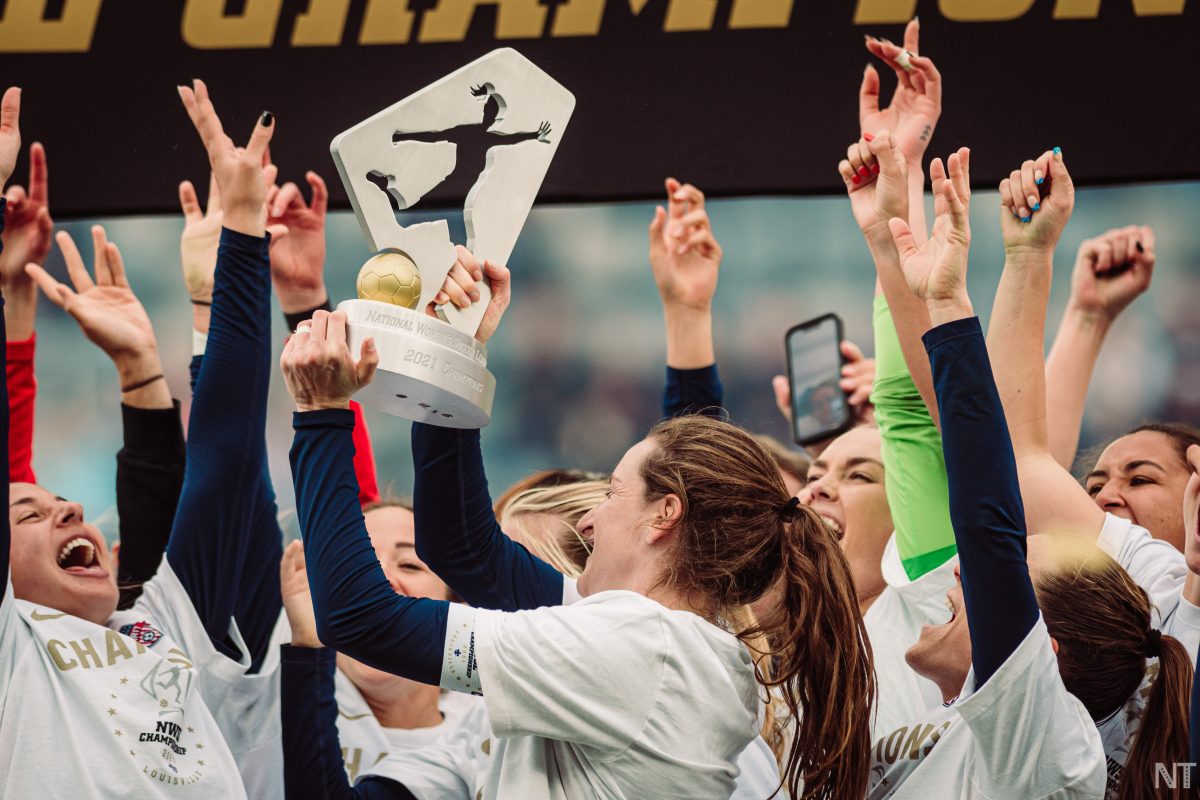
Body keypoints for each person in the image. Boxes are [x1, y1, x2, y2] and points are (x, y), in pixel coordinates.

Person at [279, 194, 874, 798]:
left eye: (614, 492)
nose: (588, 519)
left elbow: (360, 619)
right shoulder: (655, 637)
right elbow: (460, 550)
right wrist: (454, 353)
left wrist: (321, 412)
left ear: (664, 516)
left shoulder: (641, 649)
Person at [0, 82, 283, 796]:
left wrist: (246, 231)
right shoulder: (13, 647)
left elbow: (225, 454)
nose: (67, 512)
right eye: (28, 514)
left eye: (62, 503)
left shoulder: (156, 628)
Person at [984, 146, 1196, 797]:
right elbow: (1022, 462)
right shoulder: (1114, 590)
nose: (1105, 495)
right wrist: (1080, 312)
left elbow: (1018, 458)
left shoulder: (1167, 586)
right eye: (1094, 483)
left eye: (1141, 478)